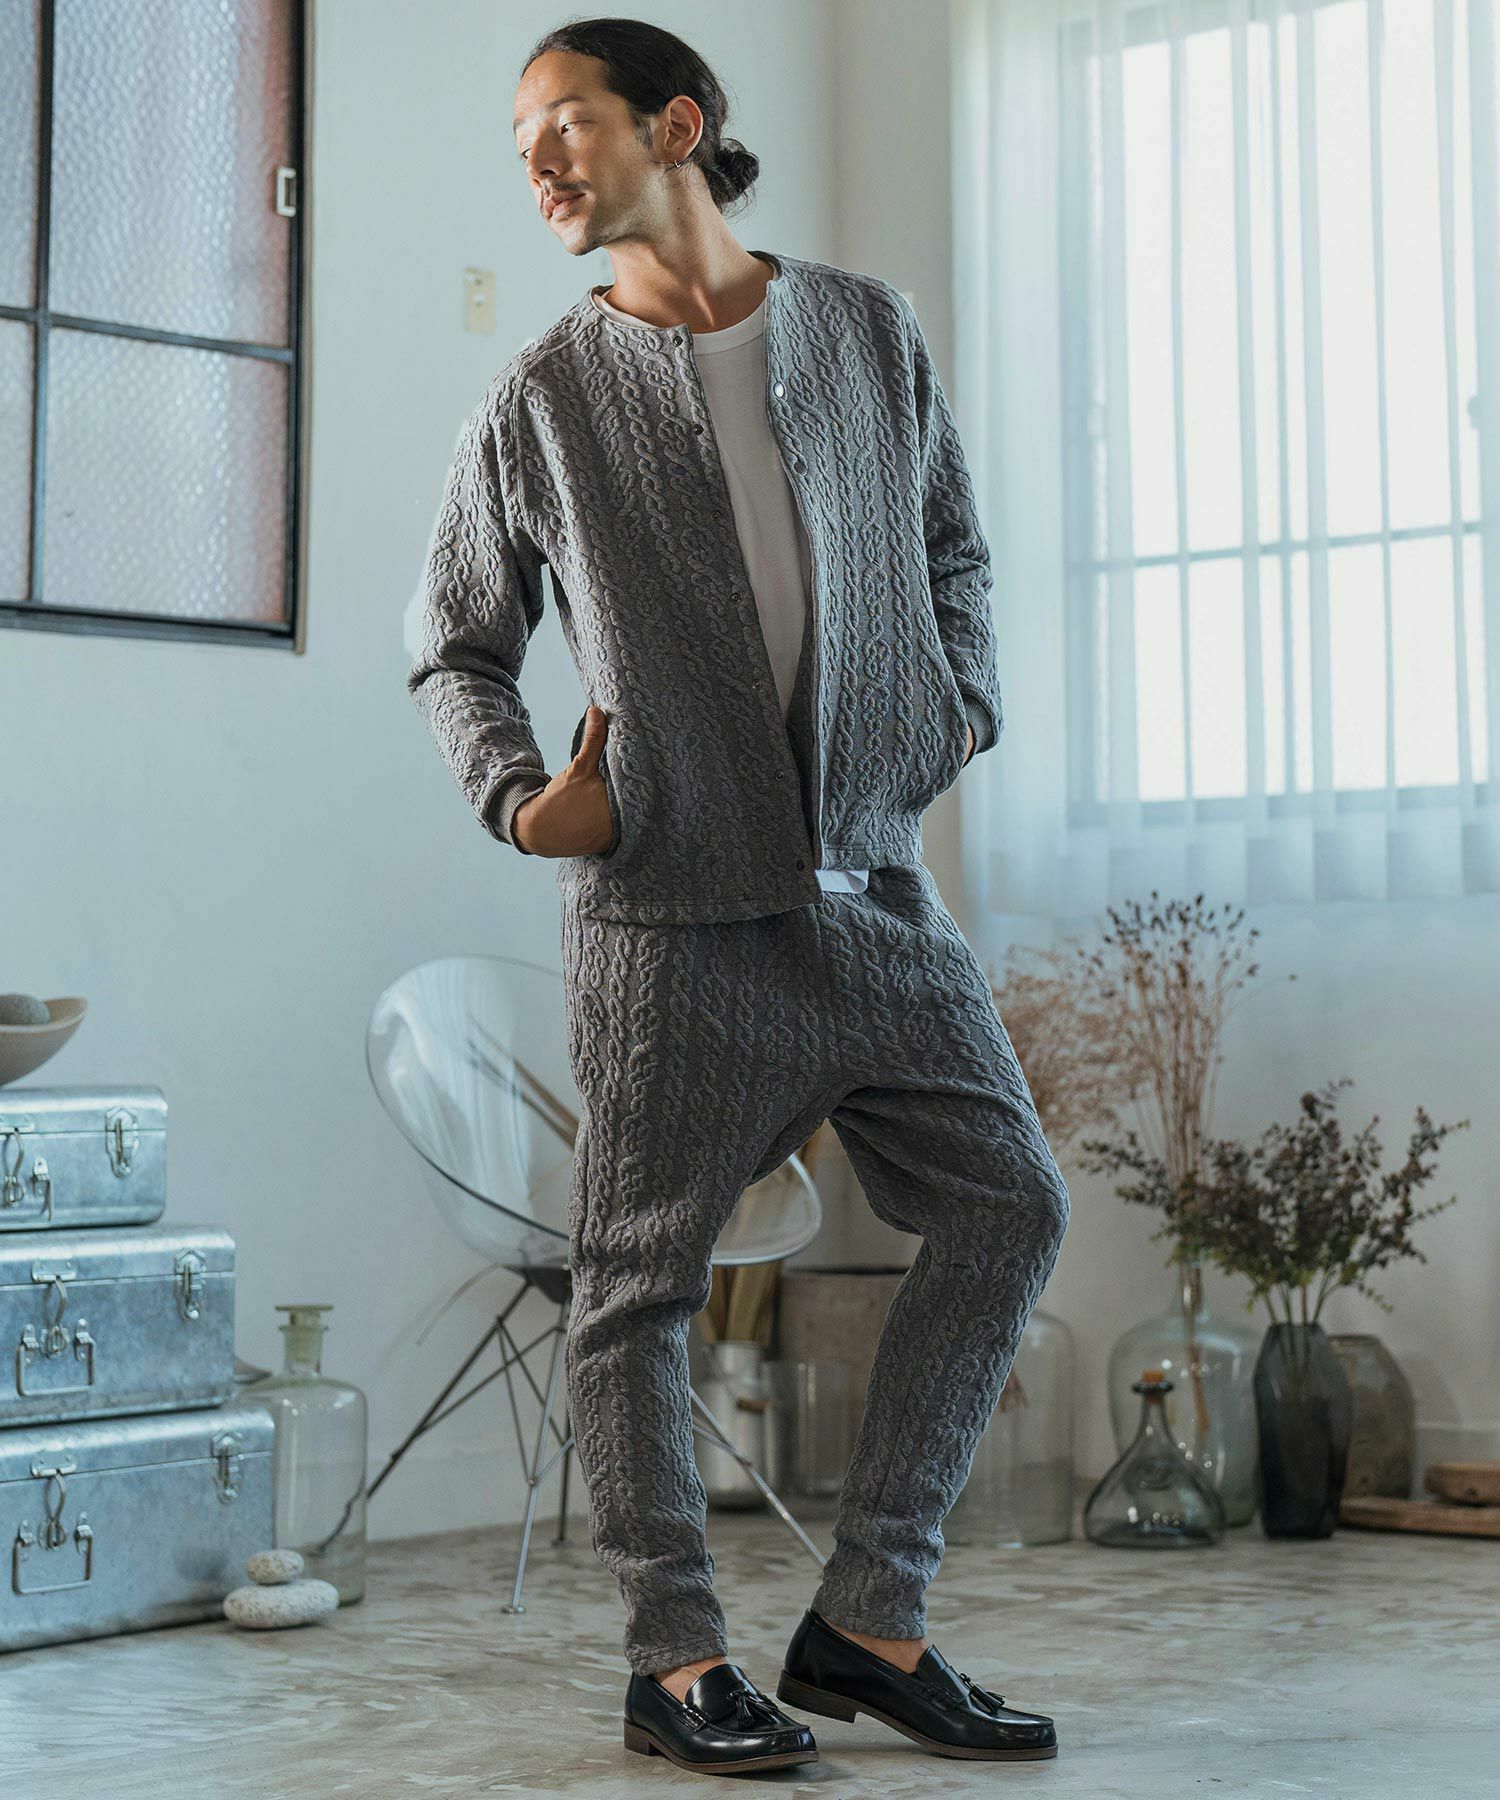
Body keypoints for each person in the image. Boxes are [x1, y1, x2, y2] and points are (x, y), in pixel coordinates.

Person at [408, 16, 1069, 1778]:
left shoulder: (865, 330)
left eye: (567, 124)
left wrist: (959, 706)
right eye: (522, 144)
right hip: (669, 927)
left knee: (1010, 1205)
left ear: (678, 124)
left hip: (876, 896)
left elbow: (952, 547)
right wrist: (525, 800)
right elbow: (458, 646)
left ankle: (872, 1619)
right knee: (637, 1292)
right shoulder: (541, 399)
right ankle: (677, 1662)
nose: (541, 163)